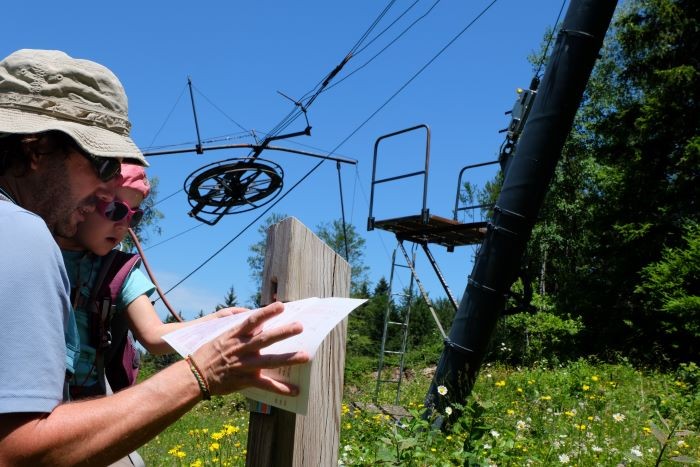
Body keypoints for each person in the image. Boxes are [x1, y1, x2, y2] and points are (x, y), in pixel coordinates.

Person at [0, 49, 308, 466]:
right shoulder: (20, 233)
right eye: (103, 162)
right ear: (37, 151)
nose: (106, 188)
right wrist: (201, 374)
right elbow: (17, 452)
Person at [56, 163, 240, 398]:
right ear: (84, 201)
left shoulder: (120, 271)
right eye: (115, 209)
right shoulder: (35, 245)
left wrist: (217, 321)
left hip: (85, 397)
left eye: (134, 216)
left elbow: (154, 335)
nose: (123, 225)